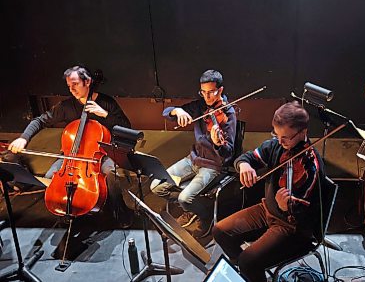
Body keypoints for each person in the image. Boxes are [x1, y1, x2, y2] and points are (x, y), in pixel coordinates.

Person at [212, 101, 327, 282]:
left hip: (291, 226)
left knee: (248, 261)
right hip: (268, 210)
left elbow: (306, 213)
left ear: (303, 132)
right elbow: (248, 157)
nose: (280, 142)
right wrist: (244, 166)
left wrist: (287, 207)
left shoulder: (310, 165)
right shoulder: (276, 145)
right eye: (277, 135)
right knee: (220, 231)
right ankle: (247, 273)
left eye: (285, 138)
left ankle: (250, 268)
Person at [8, 65, 133, 227]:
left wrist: (106, 115)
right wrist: (24, 138)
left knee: (111, 172)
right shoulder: (66, 106)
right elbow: (39, 120)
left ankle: (119, 209)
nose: (72, 89)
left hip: (101, 153)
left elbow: (127, 127)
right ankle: (67, 210)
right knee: (50, 176)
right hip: (71, 155)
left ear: (87, 82)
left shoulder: (106, 103)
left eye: (75, 84)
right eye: (69, 86)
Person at [150, 69, 237, 238]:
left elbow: (229, 152)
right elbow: (167, 112)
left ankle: (204, 215)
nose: (207, 97)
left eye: (211, 92)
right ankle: (195, 205)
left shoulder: (228, 114)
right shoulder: (200, 106)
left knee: (184, 198)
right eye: (203, 92)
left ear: (220, 90)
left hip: (212, 166)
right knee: (156, 186)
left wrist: (218, 144)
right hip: (193, 160)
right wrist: (178, 111)